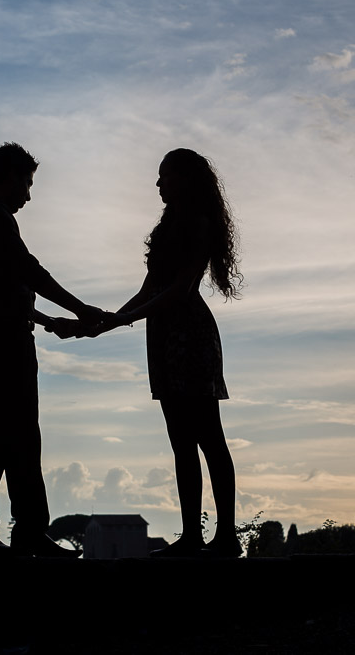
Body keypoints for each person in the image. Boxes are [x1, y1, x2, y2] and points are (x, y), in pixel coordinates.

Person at [63, 148, 243, 557]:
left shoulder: (198, 223)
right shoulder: (168, 226)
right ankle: (194, 537)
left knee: (209, 437)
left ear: (184, 179)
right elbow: (149, 290)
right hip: (163, 336)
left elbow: (179, 291)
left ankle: (226, 536)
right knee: (181, 440)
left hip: (189, 335)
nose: (158, 184)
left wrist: (108, 323)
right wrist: (102, 323)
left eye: (164, 176)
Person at [0, 142, 107, 556]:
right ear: (7, 176)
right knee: (9, 433)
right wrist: (82, 310)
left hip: (0, 332)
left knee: (6, 432)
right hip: (5, 339)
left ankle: (2, 529)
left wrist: (44, 320)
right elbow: (29, 271)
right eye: (26, 182)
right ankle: (2, 530)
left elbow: (2, 290)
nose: (28, 194)